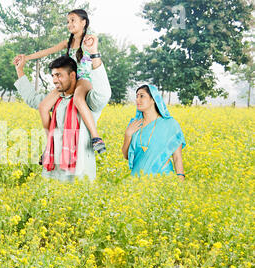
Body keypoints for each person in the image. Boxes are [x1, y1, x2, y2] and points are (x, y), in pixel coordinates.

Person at [13, 35, 112, 182]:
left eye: (59, 75)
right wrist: (20, 70)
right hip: (53, 174)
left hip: (79, 176)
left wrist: (94, 54)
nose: (54, 80)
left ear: (72, 75)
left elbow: (104, 94)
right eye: (53, 76)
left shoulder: (88, 100)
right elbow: (34, 100)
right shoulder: (56, 99)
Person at [13, 9, 107, 154]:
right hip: (70, 81)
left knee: (78, 98)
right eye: (68, 21)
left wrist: (91, 44)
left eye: (73, 20)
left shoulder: (88, 39)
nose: (69, 24)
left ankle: (96, 137)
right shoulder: (68, 43)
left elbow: (94, 48)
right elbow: (47, 51)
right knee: (43, 106)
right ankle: (50, 144)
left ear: (84, 22)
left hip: (84, 80)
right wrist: (26, 58)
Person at [122, 85, 186, 180]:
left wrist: (180, 180)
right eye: (136, 96)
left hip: (162, 179)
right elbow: (126, 156)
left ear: (153, 99)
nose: (137, 100)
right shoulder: (134, 124)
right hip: (137, 181)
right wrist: (128, 135)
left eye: (142, 96)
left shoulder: (170, 124)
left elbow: (177, 157)